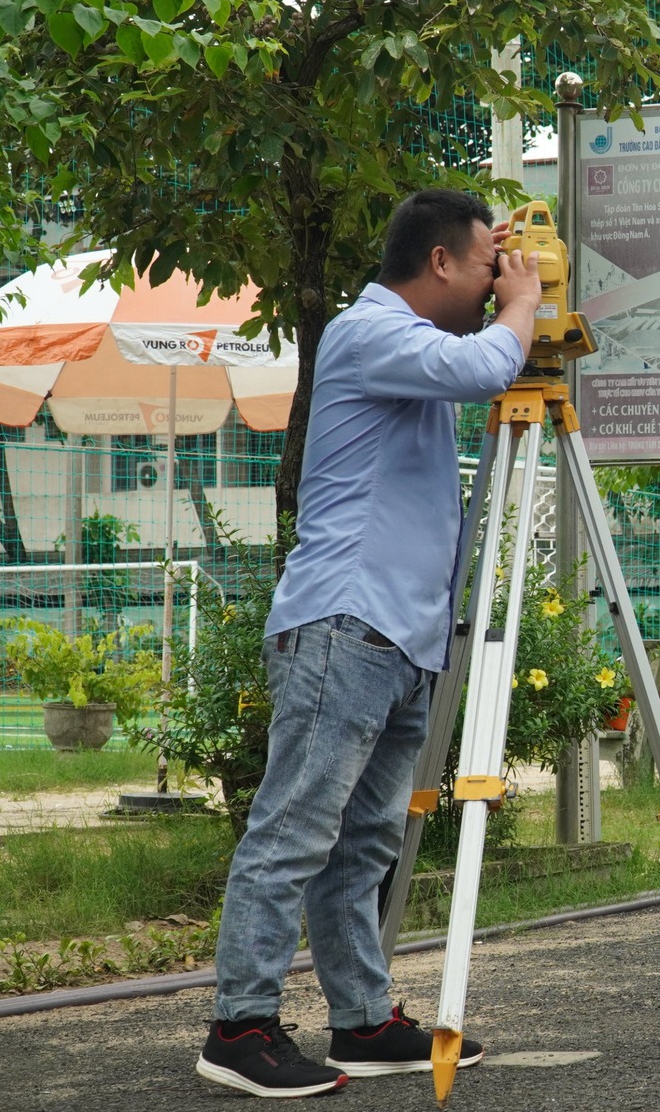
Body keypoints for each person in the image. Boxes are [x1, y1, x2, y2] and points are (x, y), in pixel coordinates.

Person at [200, 190, 539, 1097]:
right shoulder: (367, 331)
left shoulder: (414, 349)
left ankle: (361, 1018)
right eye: (485, 266)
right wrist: (523, 304)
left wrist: (504, 282)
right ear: (439, 262)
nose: (496, 282)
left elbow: (474, 361)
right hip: (345, 624)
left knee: (361, 847)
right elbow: (488, 365)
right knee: (295, 829)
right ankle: (239, 1025)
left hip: (401, 636)